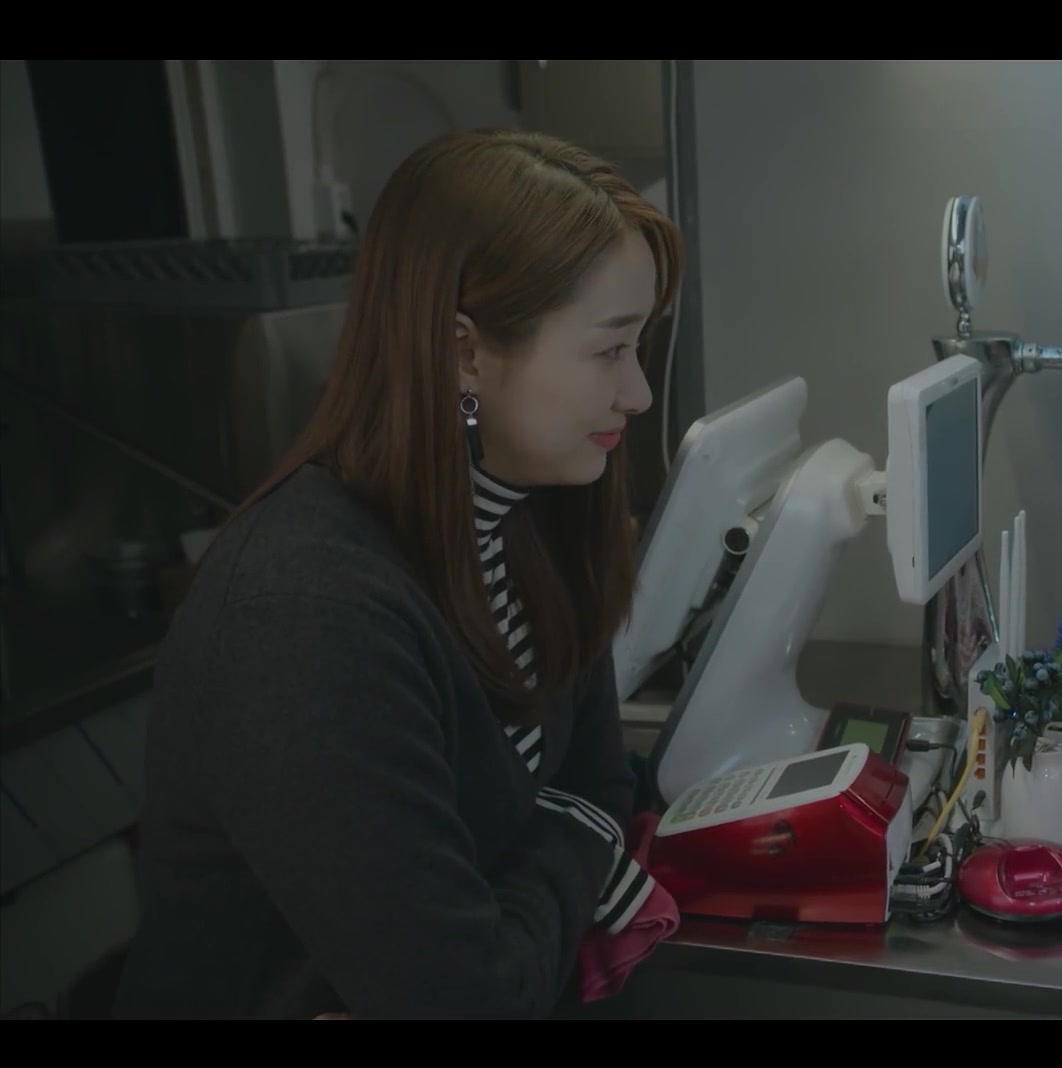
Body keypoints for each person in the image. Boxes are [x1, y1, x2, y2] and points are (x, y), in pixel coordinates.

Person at [113, 129, 684, 1019]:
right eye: (609, 350)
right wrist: (576, 841)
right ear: (463, 354)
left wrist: (551, 852)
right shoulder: (304, 615)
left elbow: (599, 783)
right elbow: (465, 996)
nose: (638, 393)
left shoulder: (532, 516)